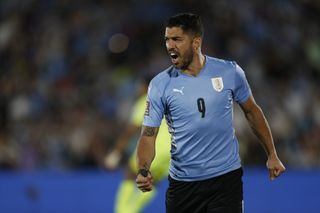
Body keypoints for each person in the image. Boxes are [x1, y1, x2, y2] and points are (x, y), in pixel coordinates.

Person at [135, 13, 286, 213]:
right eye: (167, 40)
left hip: (225, 180)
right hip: (183, 186)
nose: (170, 45)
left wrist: (272, 154)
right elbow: (148, 134)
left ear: (196, 42)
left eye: (177, 39)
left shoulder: (229, 72)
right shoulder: (160, 84)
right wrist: (144, 169)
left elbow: (252, 111)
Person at [104, 75, 171, 213]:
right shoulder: (168, 100)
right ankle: (132, 210)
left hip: (154, 147)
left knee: (130, 172)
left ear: (147, 86)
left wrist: (116, 153)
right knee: (152, 182)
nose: (137, 89)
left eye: (139, 85)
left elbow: (131, 131)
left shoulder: (146, 100)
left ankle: (122, 211)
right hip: (173, 152)